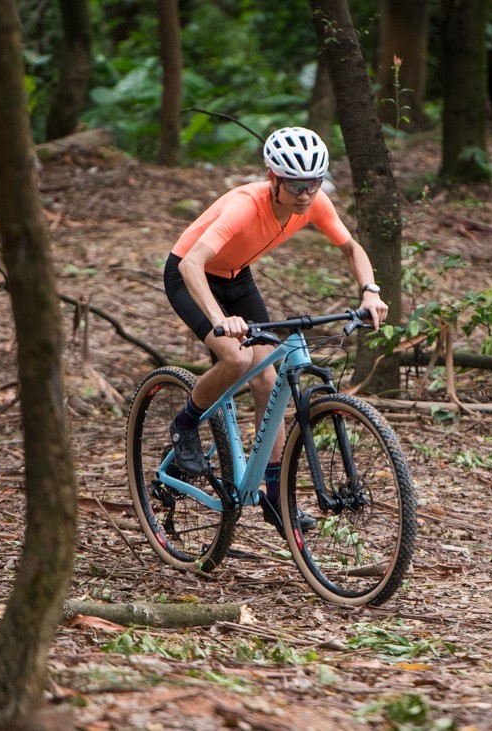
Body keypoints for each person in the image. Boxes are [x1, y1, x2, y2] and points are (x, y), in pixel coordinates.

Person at [163, 126, 388, 536]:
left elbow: (351, 247)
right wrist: (220, 319)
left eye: (314, 183)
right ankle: (186, 423)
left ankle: (272, 493)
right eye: (296, 184)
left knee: (268, 373)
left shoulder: (315, 203)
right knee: (235, 356)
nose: (306, 194)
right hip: (190, 275)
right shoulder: (244, 207)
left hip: (236, 277)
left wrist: (370, 292)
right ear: (273, 178)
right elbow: (190, 264)